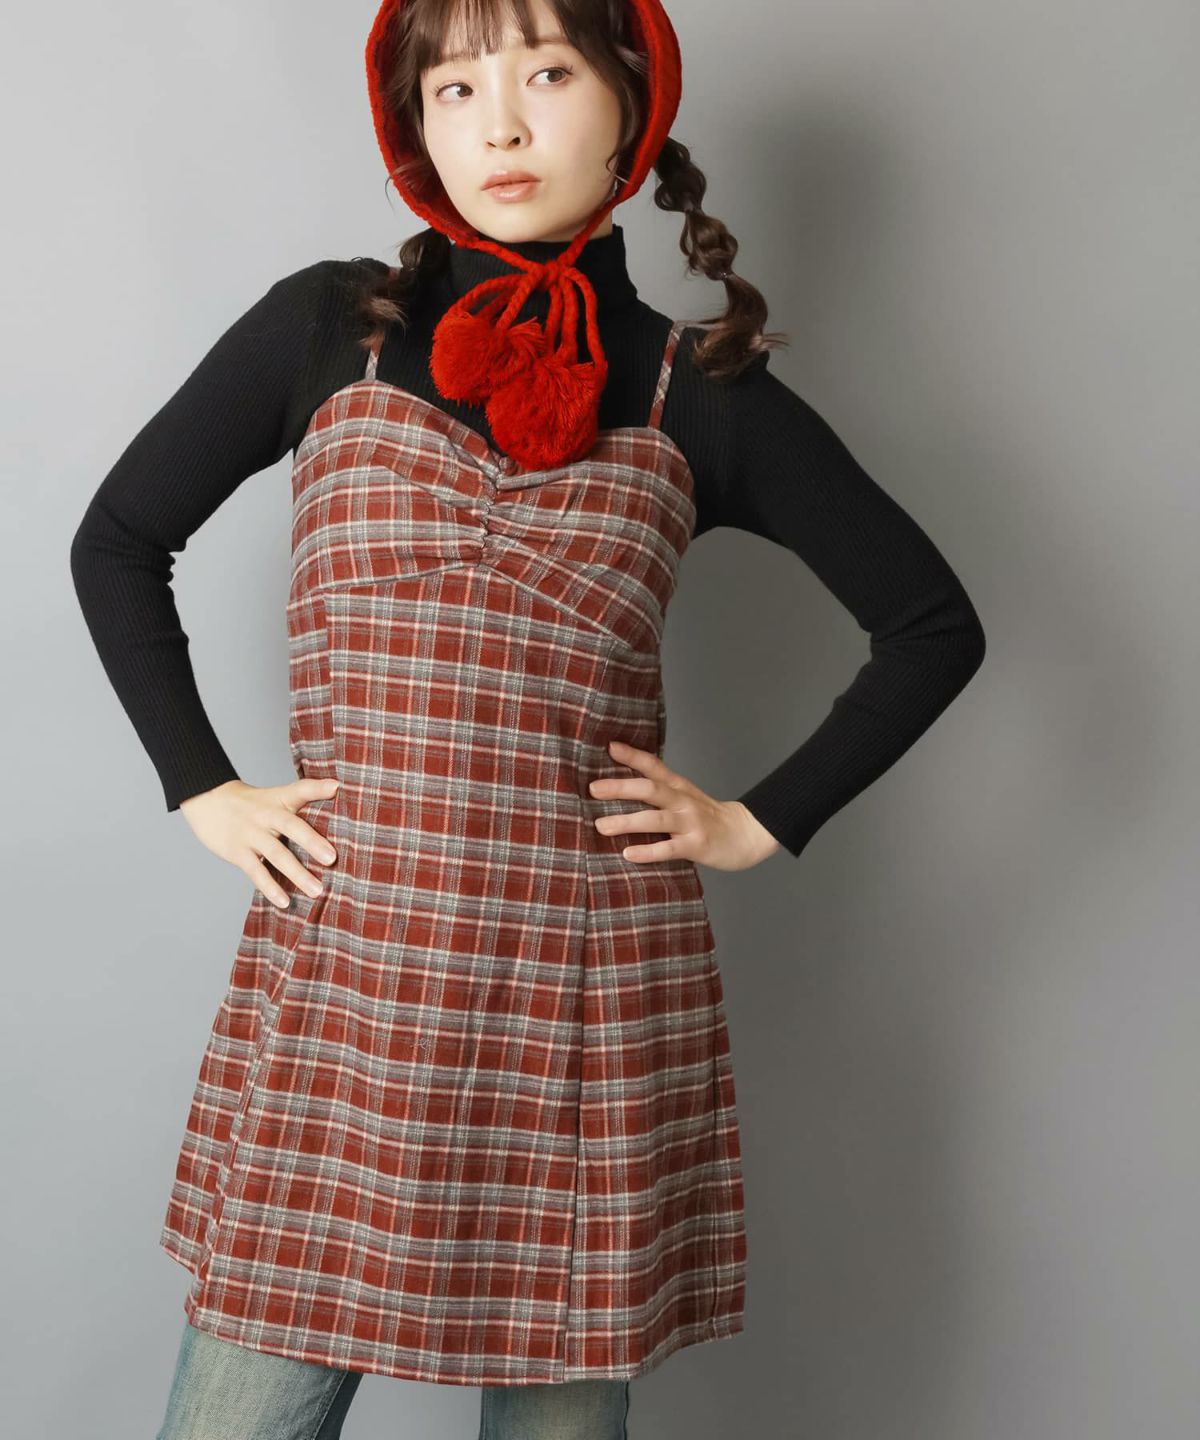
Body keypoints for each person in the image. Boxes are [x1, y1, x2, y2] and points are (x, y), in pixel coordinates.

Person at [69, 0, 987, 1434]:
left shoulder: (700, 394)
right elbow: (118, 538)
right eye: (453, 88)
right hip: (353, 981)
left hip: (585, 999)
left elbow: (931, 626)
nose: (498, 123)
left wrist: (753, 821)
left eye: (547, 73)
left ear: (630, 104)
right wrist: (203, 784)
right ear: (416, 129)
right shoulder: (330, 328)